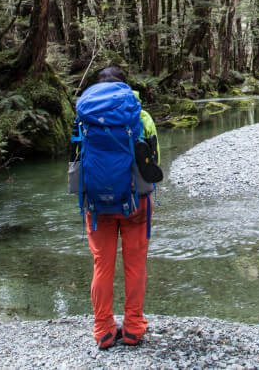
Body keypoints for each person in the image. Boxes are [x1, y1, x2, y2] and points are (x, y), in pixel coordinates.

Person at [77, 65, 160, 349]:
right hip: (136, 202)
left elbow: (78, 160)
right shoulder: (141, 116)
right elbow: (153, 162)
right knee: (135, 265)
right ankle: (134, 328)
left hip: (97, 204)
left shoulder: (84, 117)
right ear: (125, 87)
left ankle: (103, 330)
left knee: (102, 265)